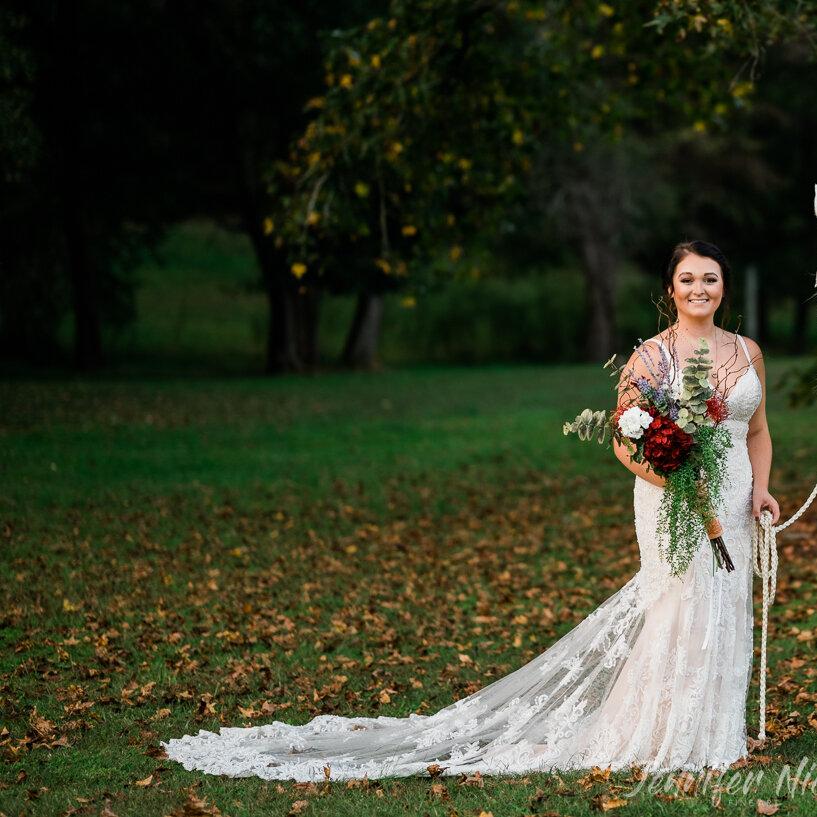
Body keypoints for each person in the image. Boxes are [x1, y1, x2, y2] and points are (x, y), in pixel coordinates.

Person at [163, 240, 780, 780]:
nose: (699, 289)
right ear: (670, 289)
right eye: (687, 279)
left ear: (724, 287)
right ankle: (663, 735)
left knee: (725, 604)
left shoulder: (747, 351)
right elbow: (626, 439)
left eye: (710, 278)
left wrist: (761, 489)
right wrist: (671, 474)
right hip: (670, 500)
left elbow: (757, 432)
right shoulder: (651, 357)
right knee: (677, 605)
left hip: (731, 495)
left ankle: (712, 733)